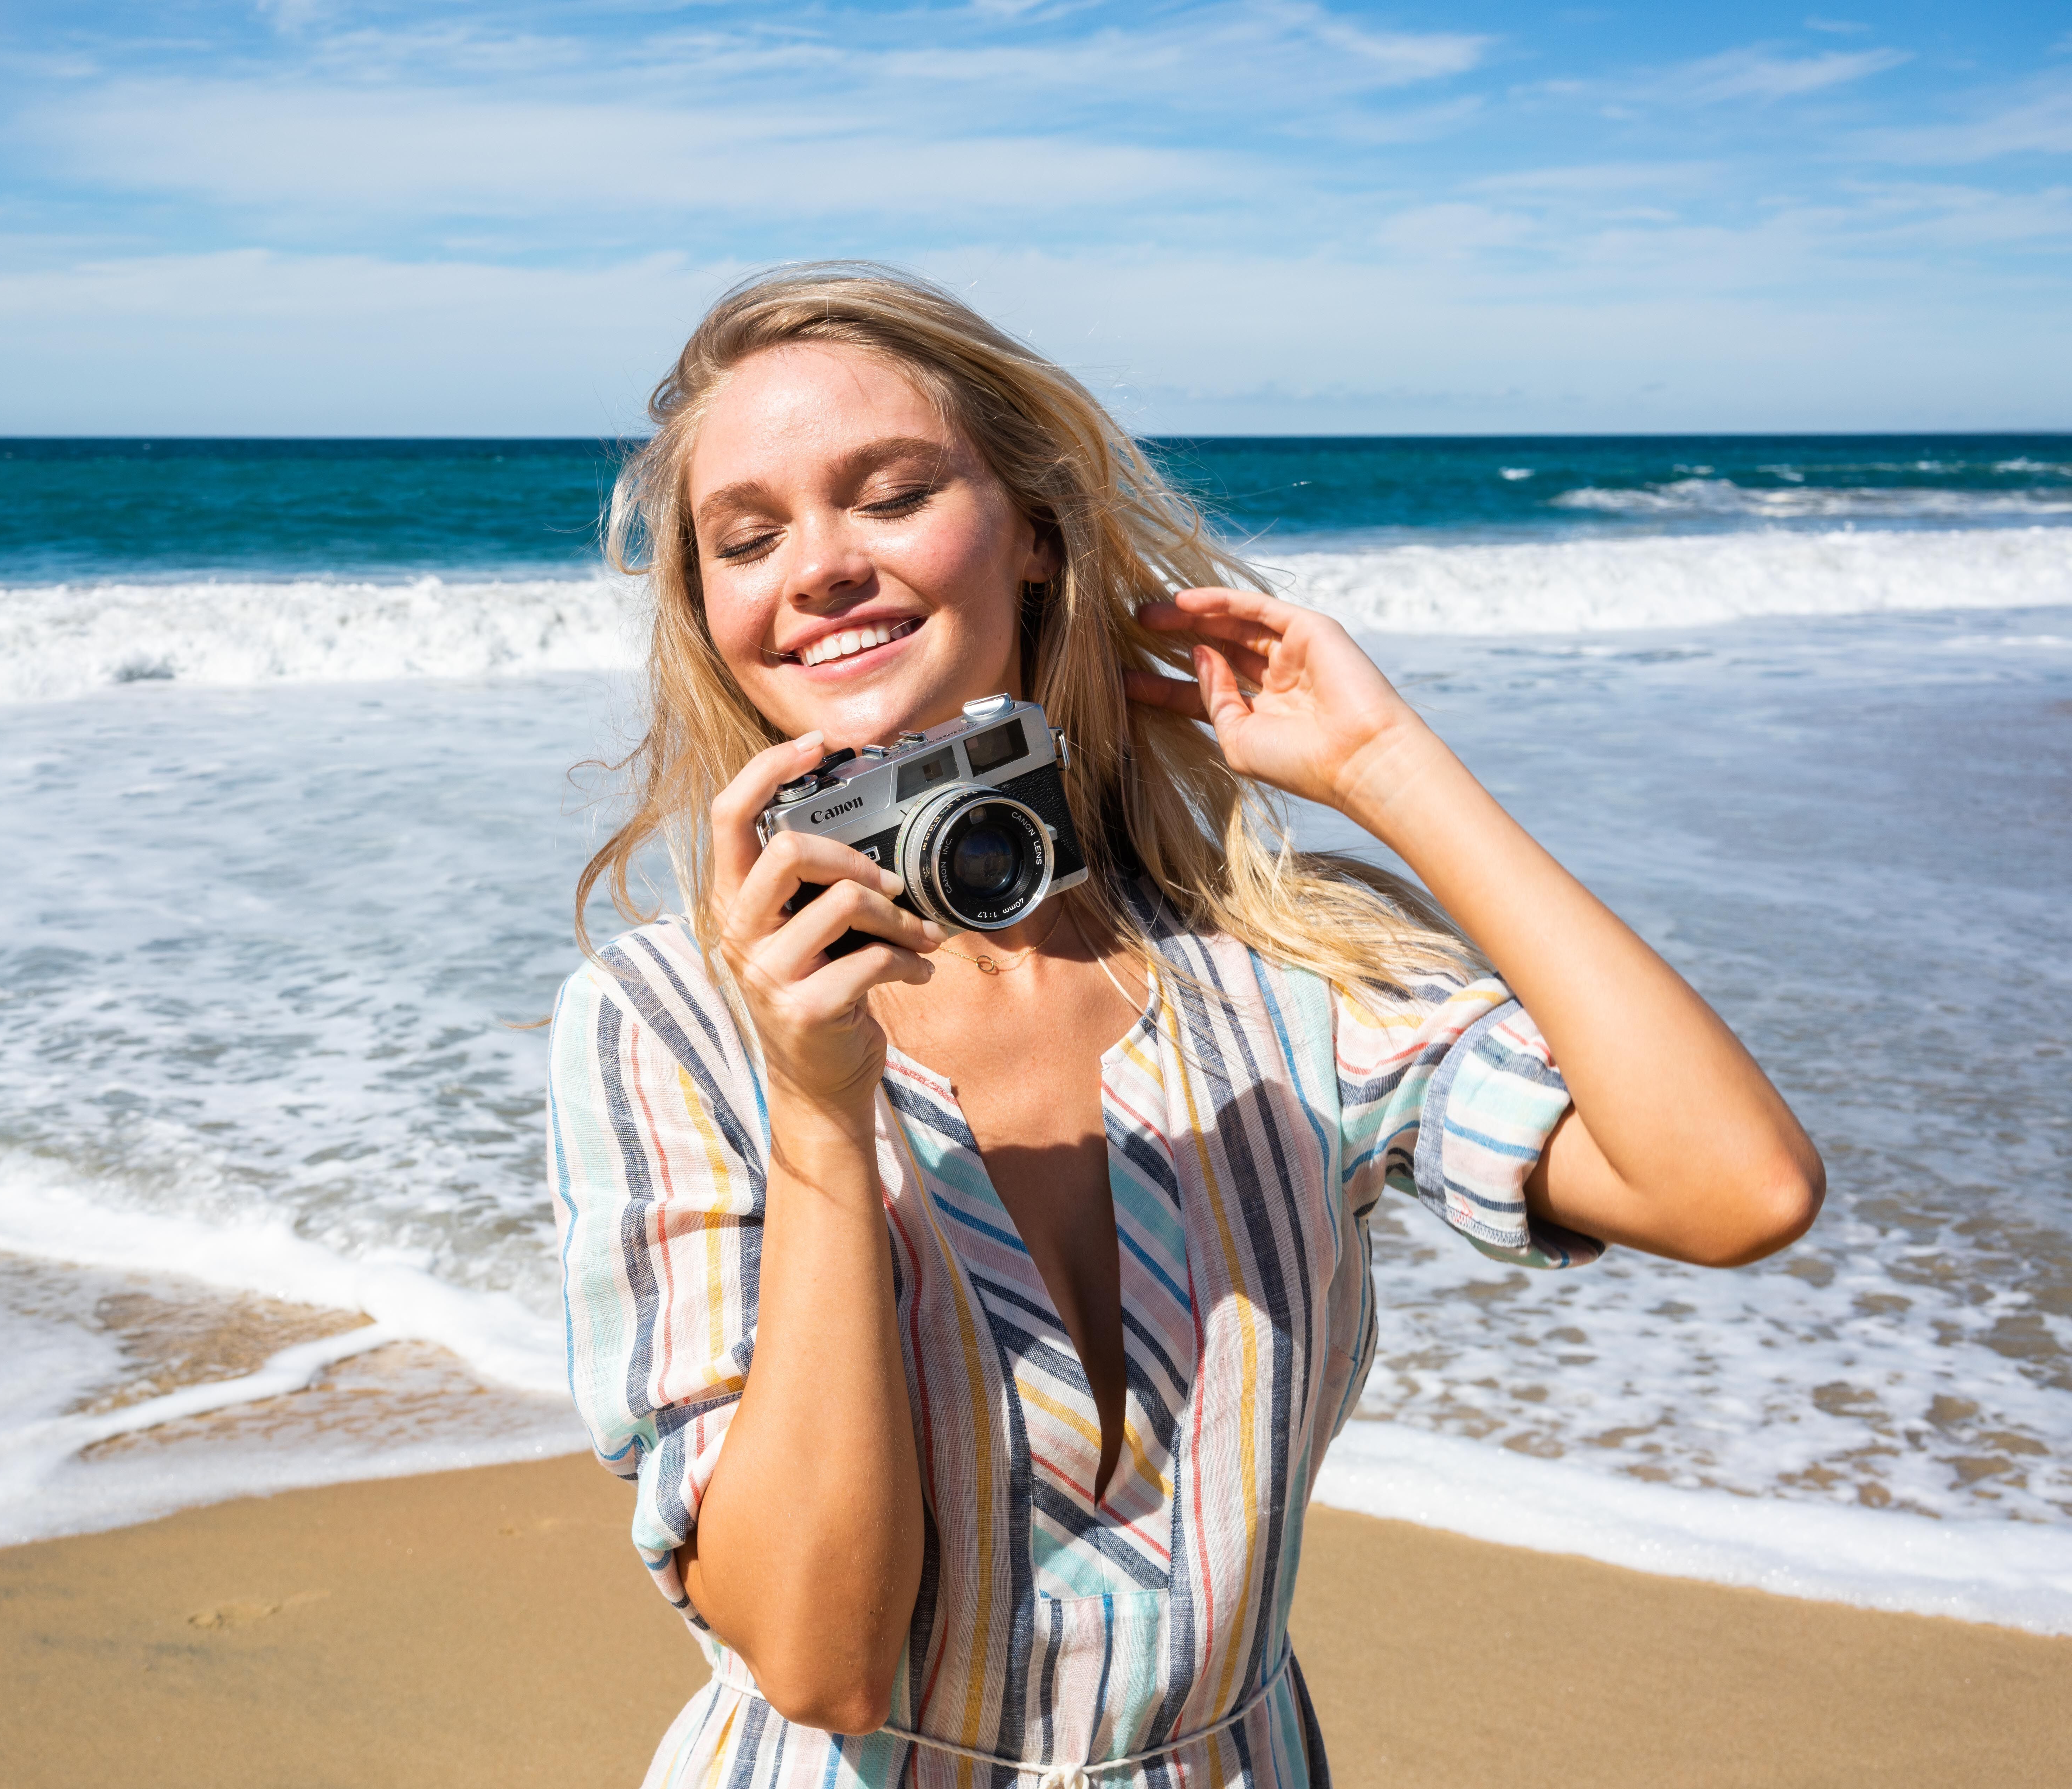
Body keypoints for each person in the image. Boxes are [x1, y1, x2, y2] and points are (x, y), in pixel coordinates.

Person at [546, 265, 1821, 1789]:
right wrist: (820, 1115)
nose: (815, 567)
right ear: (712, 612)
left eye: (888, 496)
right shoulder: (669, 1019)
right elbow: (816, 1664)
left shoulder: (1281, 962)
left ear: (1030, 532)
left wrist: (1387, 766)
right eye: (746, 538)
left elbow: (1733, 1189)